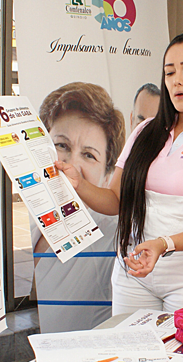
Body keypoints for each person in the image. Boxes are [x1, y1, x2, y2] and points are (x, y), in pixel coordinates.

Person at [58, 32, 183, 314]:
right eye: (169, 72)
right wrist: (79, 185)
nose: (177, 80)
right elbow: (116, 200)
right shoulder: (145, 132)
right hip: (136, 272)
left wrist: (165, 244)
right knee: (129, 353)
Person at [33, 82, 125, 332]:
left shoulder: (115, 236)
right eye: (62, 145)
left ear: (108, 175)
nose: (71, 164)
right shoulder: (34, 218)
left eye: (89, 155)